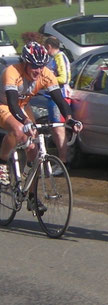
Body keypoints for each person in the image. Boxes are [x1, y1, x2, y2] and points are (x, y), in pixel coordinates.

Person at [0, 41, 82, 212]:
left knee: (34, 151)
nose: (38, 70)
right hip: (5, 105)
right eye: (33, 66)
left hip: (23, 106)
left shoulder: (46, 74)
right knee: (17, 129)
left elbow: (59, 100)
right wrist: (26, 122)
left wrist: (70, 119)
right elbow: (13, 105)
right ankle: (2, 164)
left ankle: (31, 196)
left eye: (41, 66)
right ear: (25, 63)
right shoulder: (12, 72)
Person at [44, 36, 71, 174]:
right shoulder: (53, 58)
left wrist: (47, 79)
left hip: (59, 97)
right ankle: (60, 160)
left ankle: (63, 162)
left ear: (49, 46)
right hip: (51, 97)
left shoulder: (59, 57)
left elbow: (64, 78)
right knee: (54, 129)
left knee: (59, 129)